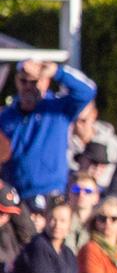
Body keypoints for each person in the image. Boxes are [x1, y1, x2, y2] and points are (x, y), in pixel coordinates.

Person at [0, 60, 97, 199]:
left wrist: (57, 72)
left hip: (50, 192)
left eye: (34, 82)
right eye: (23, 81)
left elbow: (87, 90)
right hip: (15, 194)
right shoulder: (6, 116)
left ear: (46, 82)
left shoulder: (58, 108)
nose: (28, 87)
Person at [4, 197, 106, 273]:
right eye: (53, 219)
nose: (57, 225)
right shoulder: (38, 248)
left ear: (70, 224)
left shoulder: (68, 254)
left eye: (63, 220)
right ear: (46, 220)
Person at [68, 101, 117, 187]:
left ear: (94, 115)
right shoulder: (62, 144)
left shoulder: (115, 145)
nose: (78, 125)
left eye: (83, 120)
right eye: (74, 120)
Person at [66, 174, 101, 253]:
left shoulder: (101, 224)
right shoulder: (61, 221)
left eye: (88, 191)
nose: (81, 195)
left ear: (96, 197)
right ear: (69, 194)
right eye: (76, 190)